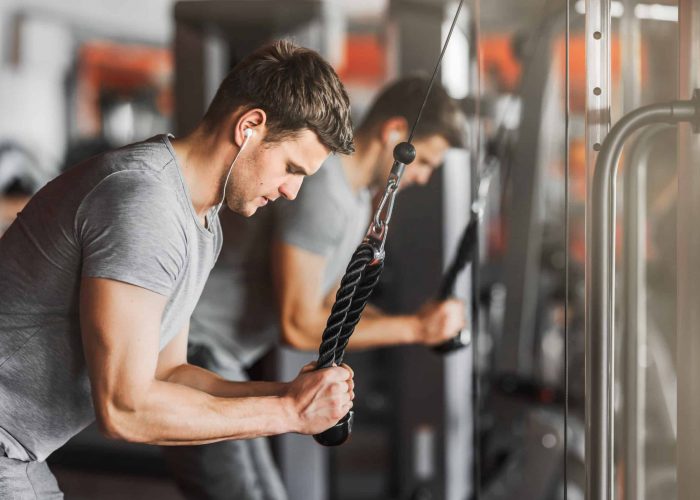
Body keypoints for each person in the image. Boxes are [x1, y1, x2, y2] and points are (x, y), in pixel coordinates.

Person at [0, 40, 356, 498]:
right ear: (249, 126)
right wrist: (288, 415)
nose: (292, 192)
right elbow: (125, 409)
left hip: (21, 451)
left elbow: (170, 374)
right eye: (291, 168)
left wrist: (288, 394)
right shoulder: (145, 202)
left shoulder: (202, 222)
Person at [163, 76, 467, 500]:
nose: (424, 178)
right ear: (395, 132)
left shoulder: (358, 199)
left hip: (223, 358)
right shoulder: (322, 192)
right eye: (427, 162)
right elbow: (298, 323)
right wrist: (416, 330)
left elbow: (331, 303)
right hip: (193, 350)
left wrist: (417, 321)